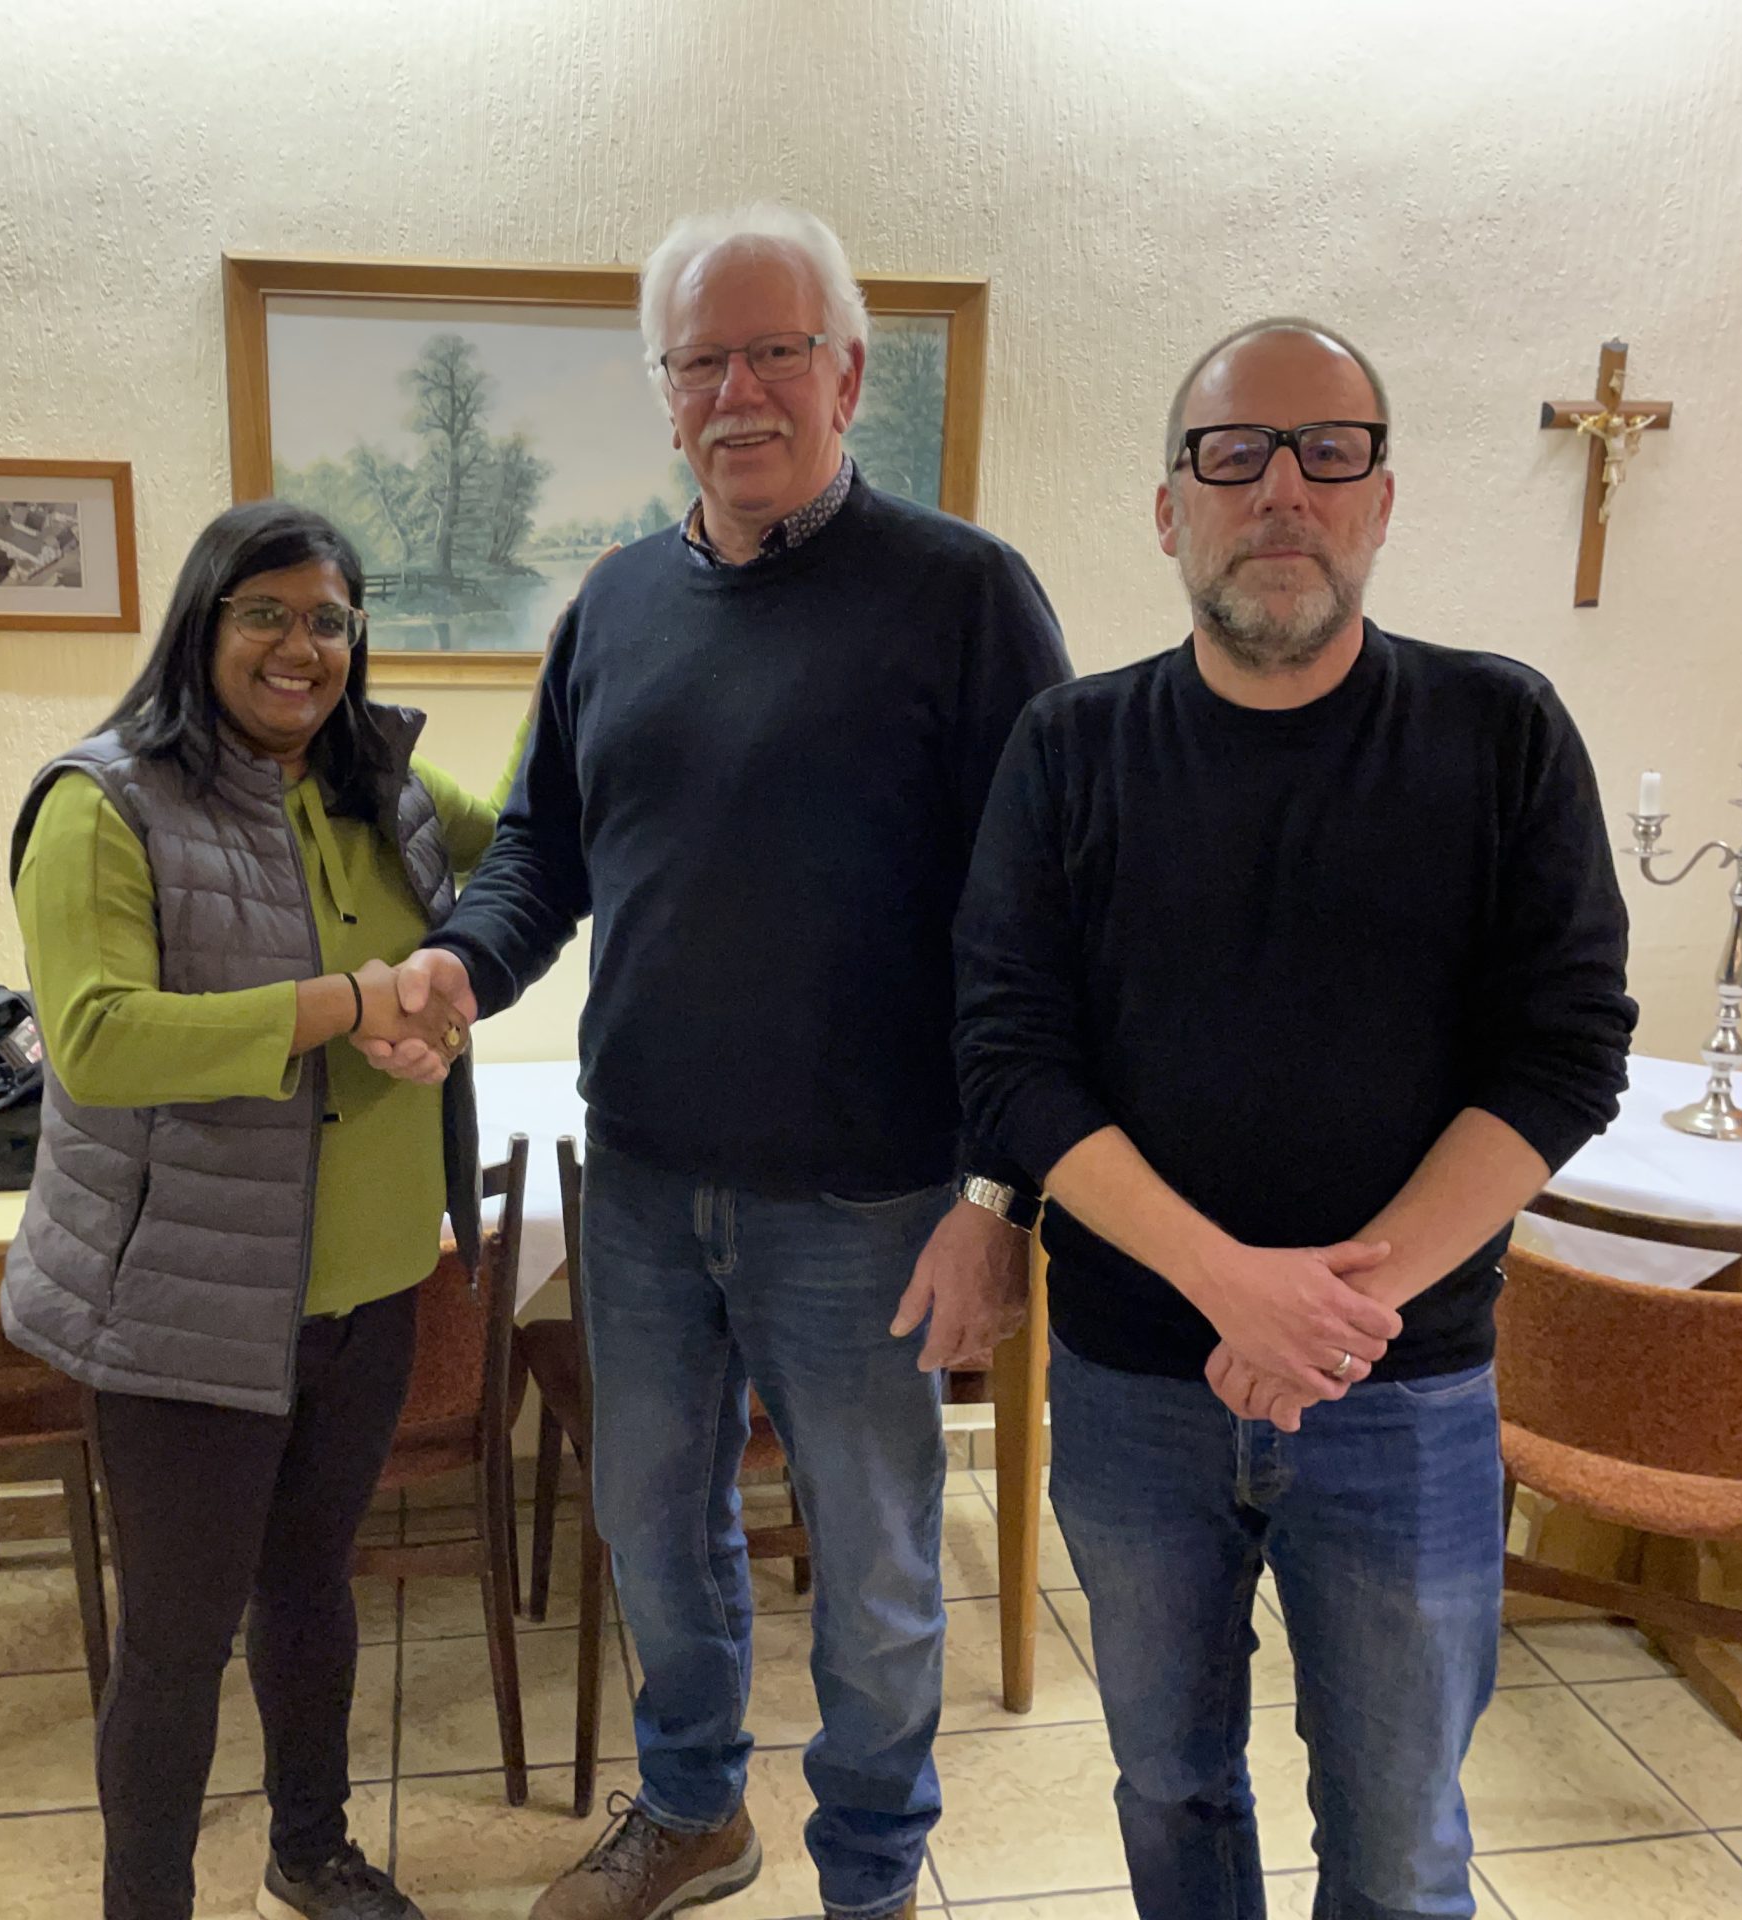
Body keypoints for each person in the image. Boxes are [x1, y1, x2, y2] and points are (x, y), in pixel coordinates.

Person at [360, 204, 1071, 1920]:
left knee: (878, 1571)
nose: (737, 391)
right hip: (647, 1183)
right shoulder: (614, 602)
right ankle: (693, 1812)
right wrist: (457, 966)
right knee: (653, 1531)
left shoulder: (964, 598)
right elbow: (542, 852)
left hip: (873, 1198)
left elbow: (1041, 922)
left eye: (773, 353)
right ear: (664, 390)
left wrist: (1001, 1197)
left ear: (848, 373)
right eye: (701, 362)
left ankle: (872, 1876)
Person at [953, 318, 1636, 1920]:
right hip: (1138, 1383)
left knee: (1399, 1841)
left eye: (1329, 452)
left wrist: (1329, 1316)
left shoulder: (1501, 733)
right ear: (1168, 508)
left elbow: (1565, 1052)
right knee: (1170, 1788)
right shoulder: (1071, 749)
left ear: (1382, 500)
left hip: (1405, 1391)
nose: (1281, 489)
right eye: (1233, 454)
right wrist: (1230, 1287)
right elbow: (1012, 1058)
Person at [0, 499, 495, 1920]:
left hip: (375, 1284)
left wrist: (450, 991)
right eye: (265, 612)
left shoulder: (384, 785)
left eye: (329, 618)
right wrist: (348, 1003)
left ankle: (311, 1851)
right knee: (175, 1642)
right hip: (187, 1304)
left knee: (313, 1590)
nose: (300, 645)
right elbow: (99, 1039)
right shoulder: (103, 804)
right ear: (202, 623)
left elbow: (532, 844)